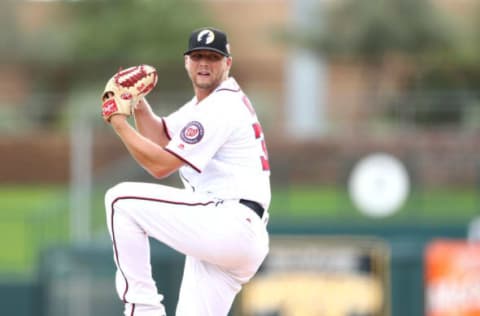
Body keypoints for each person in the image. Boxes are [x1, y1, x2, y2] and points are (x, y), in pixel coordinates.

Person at [103, 27, 271, 316]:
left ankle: (142, 310)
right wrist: (138, 104)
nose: (204, 63)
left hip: (228, 221)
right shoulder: (204, 106)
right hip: (231, 235)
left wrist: (118, 121)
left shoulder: (221, 105)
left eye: (213, 57)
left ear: (227, 63)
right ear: (186, 62)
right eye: (197, 56)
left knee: (120, 202)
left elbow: (161, 165)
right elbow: (164, 139)